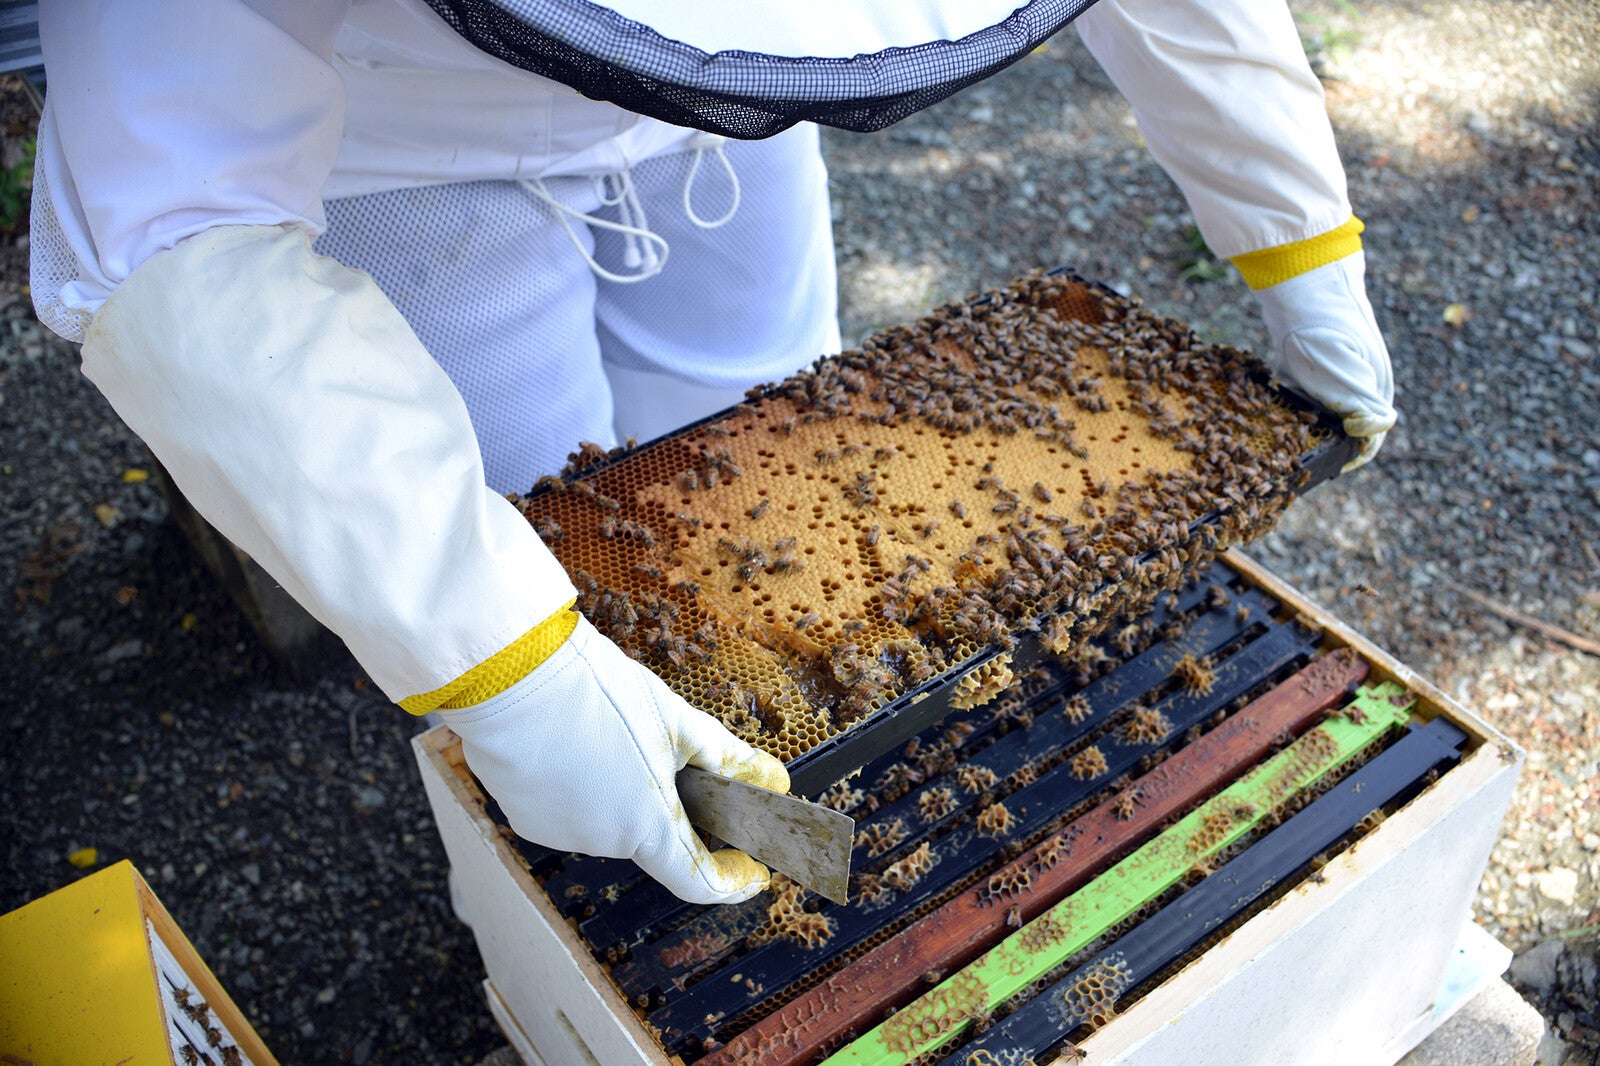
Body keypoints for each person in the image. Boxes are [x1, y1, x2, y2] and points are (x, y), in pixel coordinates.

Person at [32, 0, 1394, 908]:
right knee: (549, 555)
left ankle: (759, 751)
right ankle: (610, 863)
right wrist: (506, 666)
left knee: (787, 488)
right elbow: (171, 227)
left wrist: (1301, 242)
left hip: (727, 91)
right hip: (393, 141)